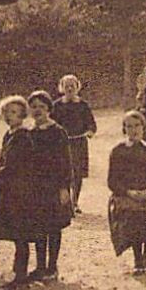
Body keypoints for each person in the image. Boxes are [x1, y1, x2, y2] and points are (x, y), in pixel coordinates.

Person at [0, 93, 73, 290]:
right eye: (33, 106)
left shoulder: (57, 131)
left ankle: (51, 267)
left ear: (48, 109)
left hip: (53, 183)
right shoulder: (29, 132)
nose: (37, 110)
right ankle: (40, 267)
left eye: (41, 106)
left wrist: (64, 186)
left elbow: (65, 161)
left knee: (54, 225)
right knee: (39, 226)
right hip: (36, 186)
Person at [107, 110, 146, 275]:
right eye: (129, 126)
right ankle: (138, 258)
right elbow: (112, 182)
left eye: (137, 125)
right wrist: (130, 192)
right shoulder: (118, 151)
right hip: (126, 195)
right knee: (134, 212)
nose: (134, 130)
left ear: (143, 127)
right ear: (124, 129)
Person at [51, 74, 98, 214]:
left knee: (77, 173)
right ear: (62, 88)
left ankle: (75, 202)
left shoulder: (83, 105)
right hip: (62, 144)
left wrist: (89, 131)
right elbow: (51, 123)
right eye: (66, 86)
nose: (70, 88)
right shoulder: (57, 105)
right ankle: (64, 201)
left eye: (72, 86)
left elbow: (91, 123)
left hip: (79, 143)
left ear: (77, 87)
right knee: (63, 171)